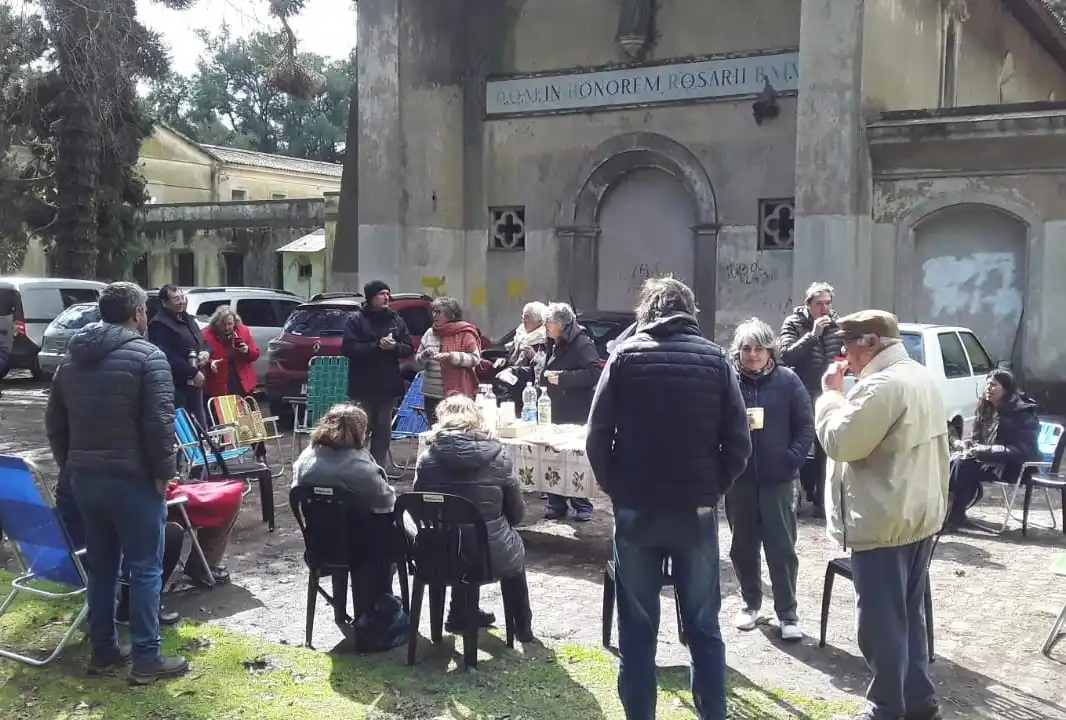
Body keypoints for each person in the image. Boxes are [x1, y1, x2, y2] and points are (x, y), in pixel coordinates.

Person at [586, 276, 752, 720]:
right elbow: (738, 445)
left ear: (648, 311)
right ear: (690, 311)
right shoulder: (717, 360)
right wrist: (712, 487)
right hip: (694, 510)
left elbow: (597, 437)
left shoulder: (624, 357)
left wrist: (617, 487)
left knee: (637, 629)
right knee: (703, 626)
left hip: (637, 506)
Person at [45, 282, 189, 683]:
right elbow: (159, 424)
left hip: (86, 480)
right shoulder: (149, 357)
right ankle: (146, 659)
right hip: (133, 480)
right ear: (137, 313)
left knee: (103, 566)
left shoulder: (70, 360)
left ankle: (104, 650)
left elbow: (55, 424)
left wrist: (71, 466)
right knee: (145, 567)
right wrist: (164, 473)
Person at [816, 310, 948, 720]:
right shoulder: (918, 375)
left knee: (880, 625)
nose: (844, 353)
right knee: (907, 617)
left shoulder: (884, 386)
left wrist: (830, 396)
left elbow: (841, 441)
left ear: (871, 342)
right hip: (915, 516)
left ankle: (885, 709)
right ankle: (919, 702)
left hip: (884, 521)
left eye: (849, 343)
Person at [413, 395, 534, 643]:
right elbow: (517, 514)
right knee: (503, 544)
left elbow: (419, 508)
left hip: (440, 552)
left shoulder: (426, 459)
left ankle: (459, 612)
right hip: (489, 555)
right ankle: (522, 626)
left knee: (457, 533)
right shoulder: (500, 456)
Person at [726, 319, 813, 642]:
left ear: (770, 351)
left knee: (782, 549)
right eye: (746, 349)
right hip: (740, 480)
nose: (752, 355)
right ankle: (751, 604)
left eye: (759, 348)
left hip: (779, 481)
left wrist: (791, 459)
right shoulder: (729, 382)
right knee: (743, 547)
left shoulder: (788, 381)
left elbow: (806, 426)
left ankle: (787, 613)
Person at [293, 403, 406, 644]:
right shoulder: (360, 467)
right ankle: (381, 605)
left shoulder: (306, 458)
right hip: (362, 551)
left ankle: (374, 603)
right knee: (394, 536)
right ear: (360, 432)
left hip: (320, 545)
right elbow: (388, 503)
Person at [54, 469, 184, 627]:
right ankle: (134, 608)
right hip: (98, 556)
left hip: (66, 557)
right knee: (169, 534)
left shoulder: (69, 475)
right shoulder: (104, 477)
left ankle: (130, 606)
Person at [780, 281, 843, 516]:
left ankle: (822, 500)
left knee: (827, 446)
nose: (824, 309)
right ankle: (793, 497)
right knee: (800, 442)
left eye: (828, 303)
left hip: (828, 392)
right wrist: (813, 335)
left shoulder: (837, 324)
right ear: (808, 304)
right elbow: (786, 356)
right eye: (819, 304)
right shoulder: (794, 323)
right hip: (801, 390)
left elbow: (841, 352)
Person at [946, 369, 1039, 529]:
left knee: (963, 465)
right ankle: (949, 512)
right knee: (954, 461)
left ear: (1006, 389)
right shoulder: (985, 407)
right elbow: (979, 439)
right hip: (988, 460)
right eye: (987, 384)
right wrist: (969, 444)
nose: (988, 388)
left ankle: (955, 516)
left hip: (1013, 467)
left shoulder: (1021, 413)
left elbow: (1023, 452)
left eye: (994, 385)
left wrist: (984, 450)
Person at [341, 280, 413, 466]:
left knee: (383, 431)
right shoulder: (356, 320)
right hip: (363, 385)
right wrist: (376, 346)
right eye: (382, 294)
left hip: (388, 385)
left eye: (388, 294)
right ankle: (358, 467)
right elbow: (349, 348)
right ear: (371, 297)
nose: (386, 297)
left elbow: (408, 347)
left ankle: (378, 468)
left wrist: (395, 346)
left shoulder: (396, 319)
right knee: (361, 429)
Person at [541, 302, 602, 521]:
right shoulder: (551, 343)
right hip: (552, 408)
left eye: (549, 322)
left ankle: (582, 504)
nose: (546, 326)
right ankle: (556, 503)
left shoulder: (582, 343)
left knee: (574, 459)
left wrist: (564, 378)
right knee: (551, 457)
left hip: (575, 410)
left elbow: (595, 373)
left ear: (561, 324)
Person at [147, 285, 209, 429]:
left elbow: (202, 341)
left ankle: (200, 450)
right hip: (176, 384)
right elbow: (165, 355)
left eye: (182, 297)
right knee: (183, 427)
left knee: (200, 425)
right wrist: (192, 372)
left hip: (195, 382)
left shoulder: (188, 319)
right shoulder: (159, 324)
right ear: (164, 302)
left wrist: (206, 352)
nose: (181, 301)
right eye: (176, 299)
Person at [415, 296, 482, 420]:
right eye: (433, 311)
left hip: (457, 395)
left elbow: (475, 359)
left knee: (455, 431)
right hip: (431, 393)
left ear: (451, 314)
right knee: (434, 431)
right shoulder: (430, 333)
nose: (434, 315)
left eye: (438, 312)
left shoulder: (465, 332)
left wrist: (450, 356)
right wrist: (424, 355)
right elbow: (417, 363)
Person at [491, 301, 548, 406]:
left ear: (539, 320)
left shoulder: (546, 338)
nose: (523, 321)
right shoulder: (520, 335)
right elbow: (512, 357)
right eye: (523, 317)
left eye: (527, 317)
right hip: (511, 384)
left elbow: (546, 366)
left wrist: (534, 356)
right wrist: (504, 361)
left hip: (528, 388)